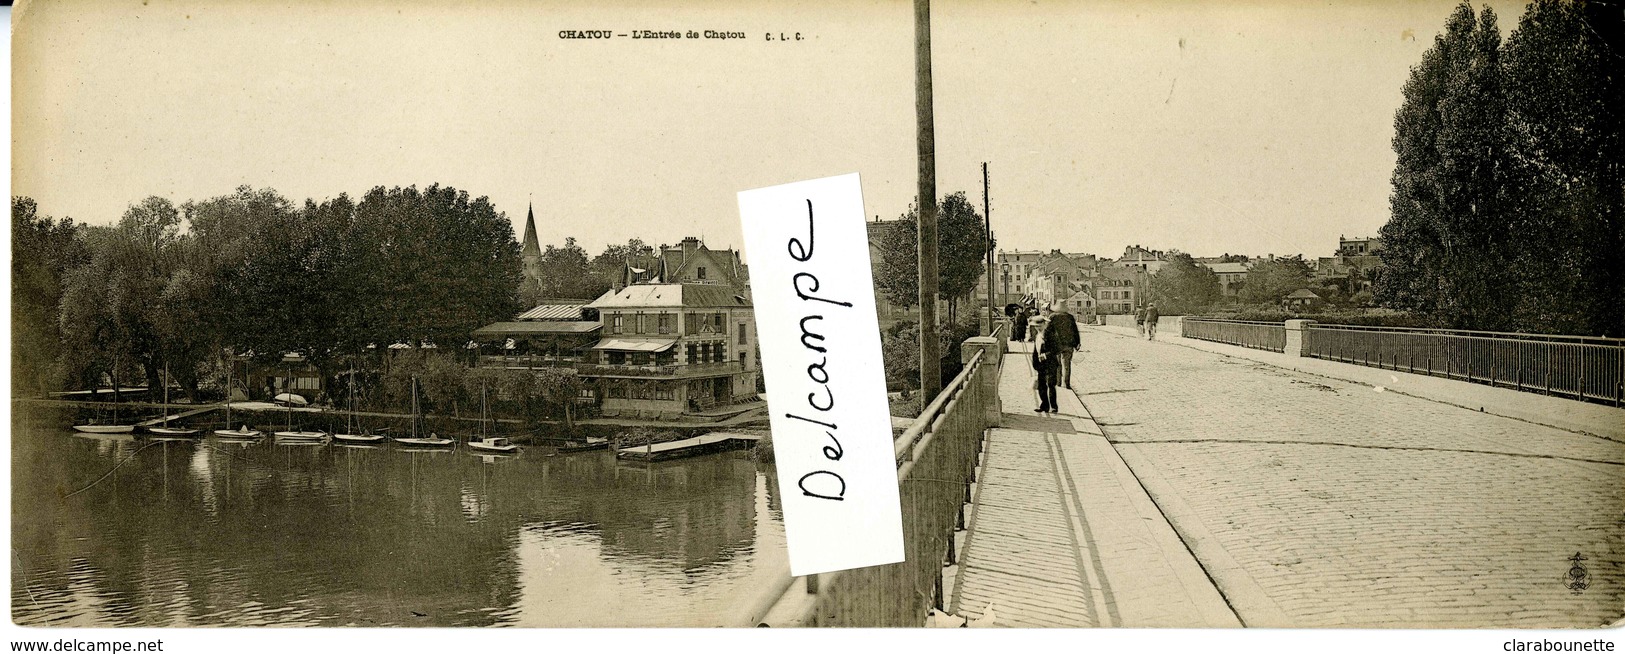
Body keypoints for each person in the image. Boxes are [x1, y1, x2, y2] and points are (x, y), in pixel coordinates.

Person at [1045, 302, 1081, 389]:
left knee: (1057, 364)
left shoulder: (1052, 317)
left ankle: (1058, 383)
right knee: (1067, 365)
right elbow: (1075, 331)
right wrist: (1077, 343)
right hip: (1068, 344)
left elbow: (1047, 332)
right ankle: (1067, 384)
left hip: (1056, 344)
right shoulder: (1070, 317)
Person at [1031, 317, 1060, 413]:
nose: (1038, 328)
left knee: (1051, 384)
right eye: (1036, 327)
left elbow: (1057, 349)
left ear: (1044, 324)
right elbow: (1036, 350)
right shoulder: (1037, 335)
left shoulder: (1050, 334)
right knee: (1041, 386)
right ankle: (1044, 406)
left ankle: (1054, 406)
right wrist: (1035, 362)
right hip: (1041, 365)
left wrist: (1046, 355)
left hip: (1051, 363)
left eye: (1039, 326)